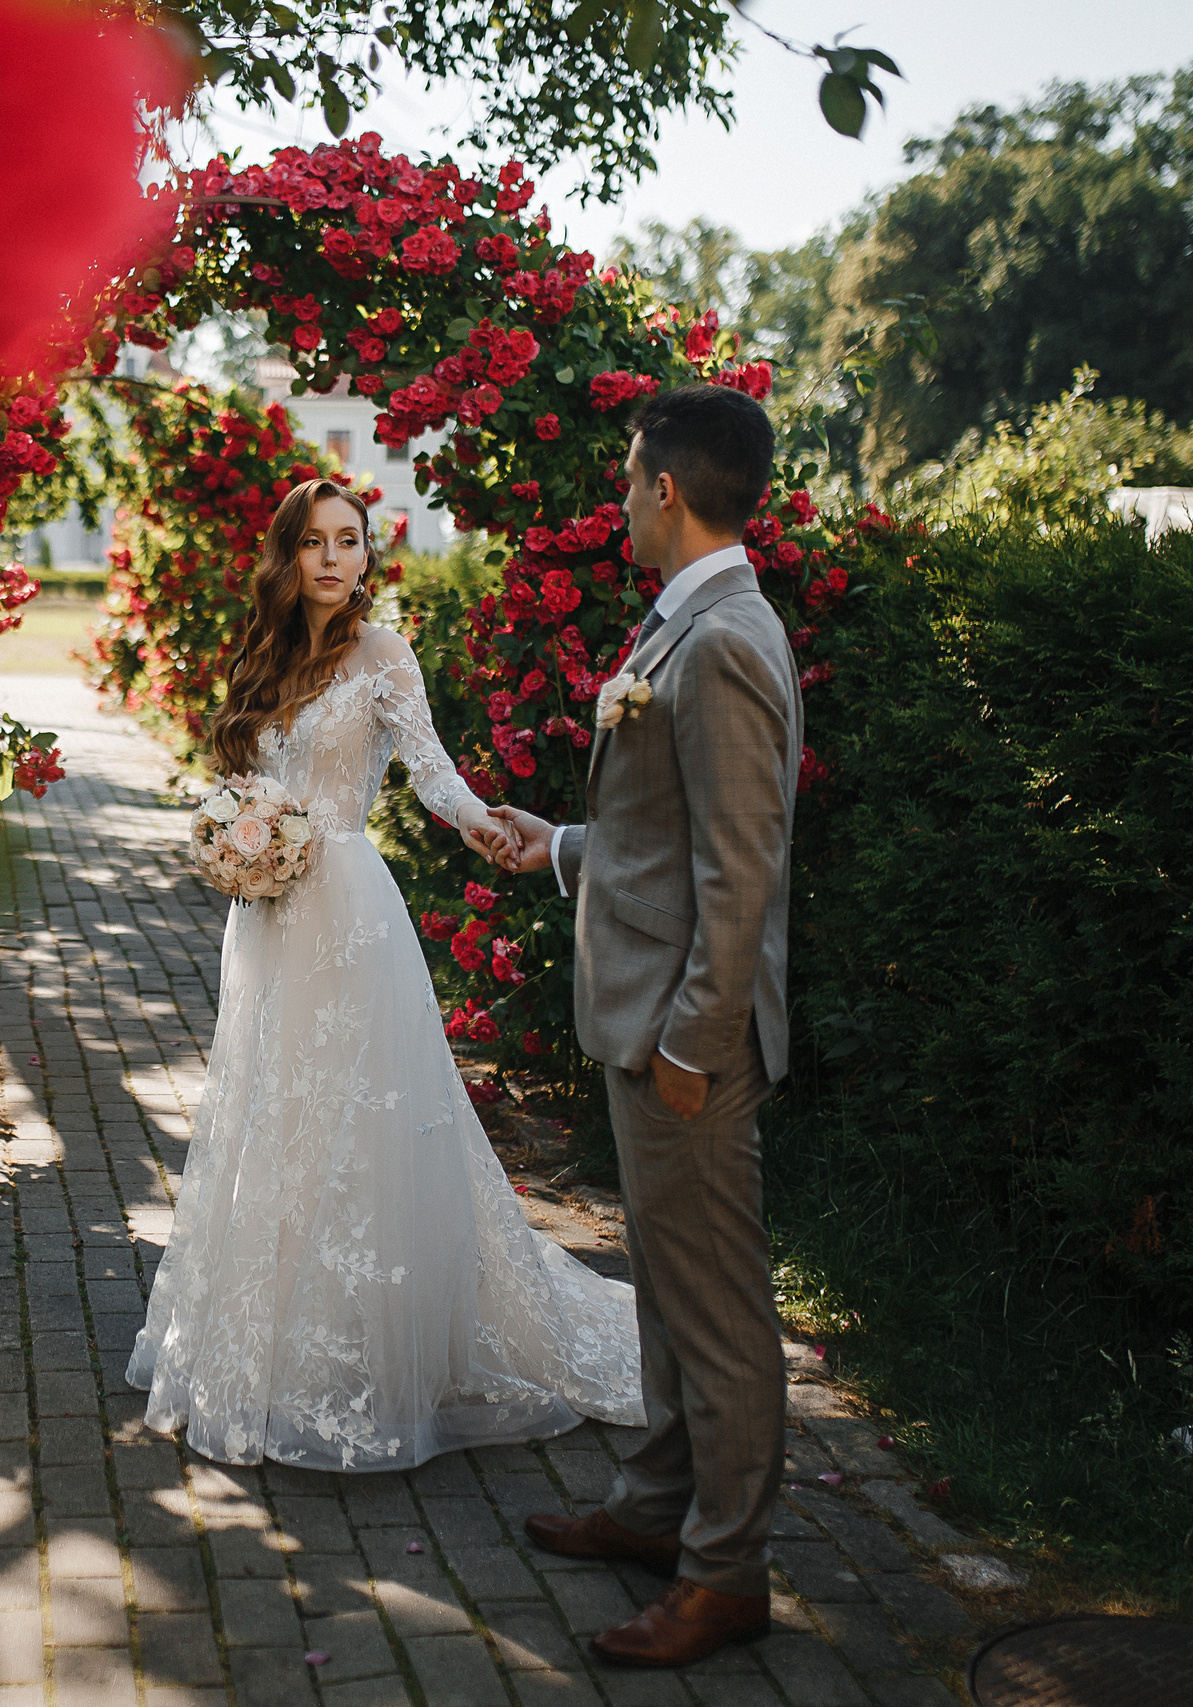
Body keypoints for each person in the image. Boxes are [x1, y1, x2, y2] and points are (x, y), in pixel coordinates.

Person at [125, 478, 643, 1472]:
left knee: (355, 1117)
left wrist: (482, 821)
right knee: (274, 1115)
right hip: (268, 920)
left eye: (348, 541)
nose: (331, 558)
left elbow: (431, 767)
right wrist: (234, 839)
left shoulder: (383, 653)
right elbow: (245, 785)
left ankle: (375, 1350)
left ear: (368, 555)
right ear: (288, 556)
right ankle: (266, 1348)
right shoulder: (263, 657)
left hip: (350, 910)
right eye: (313, 541)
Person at [489, 384, 801, 1668]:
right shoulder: (690, 621)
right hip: (652, 1018)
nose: (619, 499)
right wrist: (557, 845)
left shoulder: (724, 637)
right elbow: (664, 839)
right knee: (668, 1296)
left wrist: (688, 1043)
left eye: (626, 479)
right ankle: (654, 1510)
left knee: (716, 1311)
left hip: (688, 1040)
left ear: (666, 489)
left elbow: (741, 872)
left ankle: (724, 1575)